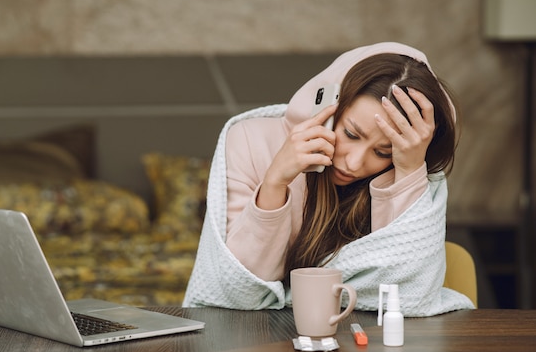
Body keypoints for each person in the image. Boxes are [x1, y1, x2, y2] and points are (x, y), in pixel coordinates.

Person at [183, 42, 475, 315]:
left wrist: (408, 172)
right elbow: (238, 292)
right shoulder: (248, 140)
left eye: (383, 151)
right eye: (350, 134)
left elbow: (405, 297)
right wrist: (274, 183)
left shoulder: (409, 169)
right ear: (329, 105)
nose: (354, 162)